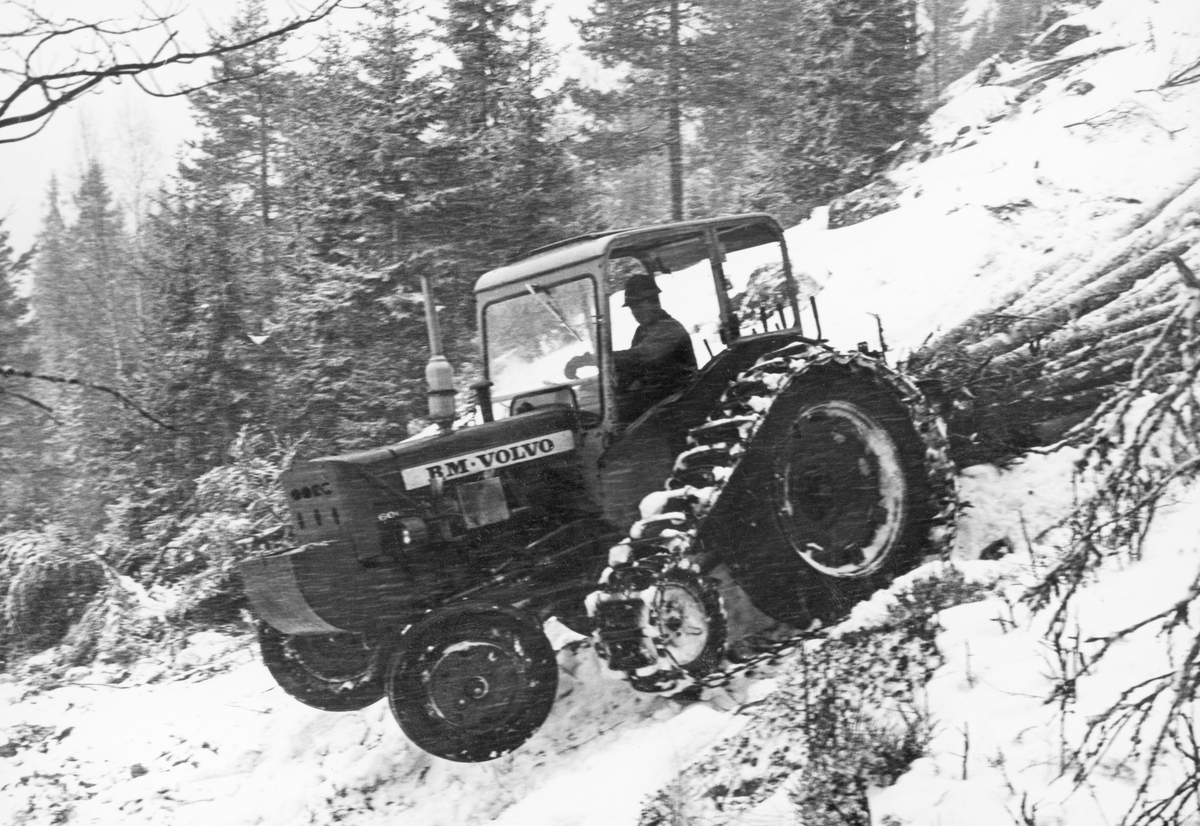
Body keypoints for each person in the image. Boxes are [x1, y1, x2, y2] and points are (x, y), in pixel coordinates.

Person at [612, 272, 697, 420]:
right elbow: (634, 367)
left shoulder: (670, 328)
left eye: (639, 305)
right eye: (633, 308)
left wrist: (601, 359)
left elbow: (641, 356)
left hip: (679, 402)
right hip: (658, 398)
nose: (636, 312)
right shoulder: (642, 331)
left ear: (655, 302)